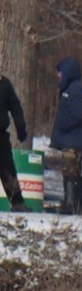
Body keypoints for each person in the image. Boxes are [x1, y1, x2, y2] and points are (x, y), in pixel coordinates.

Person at [50, 56, 82, 216]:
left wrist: (62, 124)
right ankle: (76, 204)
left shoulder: (75, 90)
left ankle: (71, 203)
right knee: (72, 170)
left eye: (61, 73)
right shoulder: (70, 89)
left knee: (70, 170)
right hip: (71, 138)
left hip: (73, 139)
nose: (58, 76)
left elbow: (78, 114)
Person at [0, 70, 26, 211]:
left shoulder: (4, 84)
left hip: (1, 136)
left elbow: (15, 106)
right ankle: (17, 203)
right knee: (7, 169)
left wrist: (20, 127)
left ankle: (17, 203)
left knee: (7, 169)